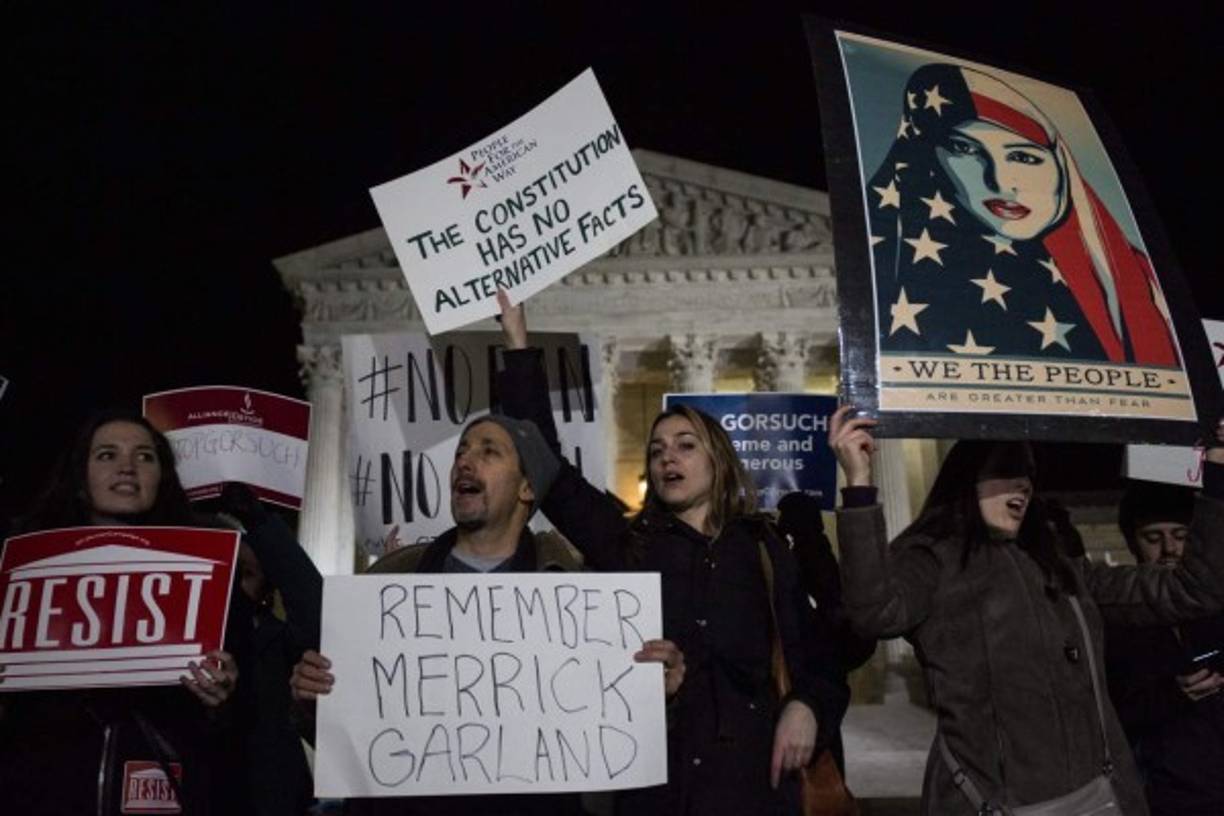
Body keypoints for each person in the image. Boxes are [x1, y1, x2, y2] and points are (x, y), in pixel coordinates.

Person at [493, 293, 847, 816]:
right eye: (656, 450)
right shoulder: (625, 542)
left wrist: (806, 707)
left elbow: (820, 660)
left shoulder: (764, 549)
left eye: (684, 445)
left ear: (717, 461)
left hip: (756, 788)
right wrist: (519, 345)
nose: (666, 459)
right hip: (659, 790)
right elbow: (547, 467)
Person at [828, 408, 1224, 815]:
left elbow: (1194, 589)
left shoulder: (1060, 566)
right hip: (991, 804)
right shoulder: (932, 560)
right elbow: (875, 612)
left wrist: (1217, 474)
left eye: (1029, 473)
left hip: (1099, 799)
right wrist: (859, 487)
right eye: (1007, 469)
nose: (1023, 483)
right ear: (969, 477)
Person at [289, 412, 685, 816]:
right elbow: (339, 738)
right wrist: (312, 699)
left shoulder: (580, 597)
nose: (464, 460)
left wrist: (655, 697)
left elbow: (615, 744)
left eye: (488, 451)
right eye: (462, 450)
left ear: (527, 486)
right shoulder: (387, 582)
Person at [0, 410, 244, 814]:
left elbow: (242, 727)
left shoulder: (211, 579)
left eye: (145, 457)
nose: (128, 467)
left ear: (160, 480)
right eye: (107, 455)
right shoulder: (20, 573)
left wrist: (221, 700)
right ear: (80, 481)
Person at [869, 62, 1179, 365]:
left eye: (1023, 156)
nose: (1001, 183)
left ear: (1062, 167)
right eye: (966, 150)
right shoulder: (895, 264)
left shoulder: (1133, 277)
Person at [1105, 479, 1224, 815]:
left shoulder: (1215, 606)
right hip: (1170, 797)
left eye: (1181, 536)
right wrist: (1172, 695)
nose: (1170, 549)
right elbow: (1113, 716)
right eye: (1153, 538)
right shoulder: (1117, 620)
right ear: (1133, 543)